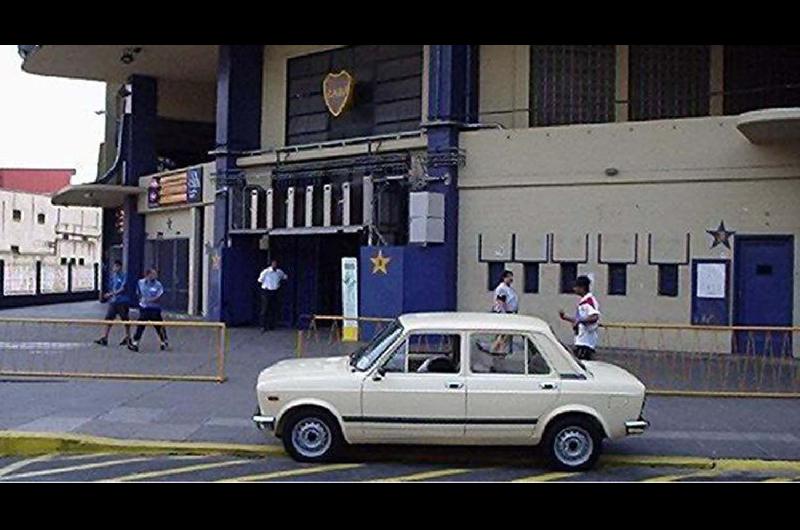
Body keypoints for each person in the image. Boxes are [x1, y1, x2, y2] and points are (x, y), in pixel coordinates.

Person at [558, 275, 601, 361]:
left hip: (586, 342)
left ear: (582, 288)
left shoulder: (589, 301)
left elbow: (594, 317)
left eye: (576, 287)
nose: (574, 289)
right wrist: (565, 317)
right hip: (580, 339)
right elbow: (579, 319)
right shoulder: (583, 302)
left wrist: (579, 321)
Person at [128, 268, 169, 352]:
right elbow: (138, 293)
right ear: (148, 275)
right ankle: (136, 342)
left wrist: (152, 299)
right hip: (144, 307)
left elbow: (160, 295)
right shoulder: (140, 283)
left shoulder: (158, 284)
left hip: (154, 308)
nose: (155, 275)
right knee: (140, 325)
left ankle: (163, 342)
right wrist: (141, 301)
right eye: (153, 274)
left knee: (159, 326)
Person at [94, 259, 132, 347]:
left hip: (122, 301)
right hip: (114, 301)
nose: (114, 268)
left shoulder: (124, 276)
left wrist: (111, 294)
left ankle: (128, 337)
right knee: (108, 319)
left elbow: (123, 288)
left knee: (125, 320)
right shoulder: (113, 277)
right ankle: (105, 338)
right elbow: (111, 287)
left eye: (115, 266)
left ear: (119, 267)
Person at [257, 259, 288, 332]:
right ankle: (263, 326)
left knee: (273, 309)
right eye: (273, 263)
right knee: (264, 309)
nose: (275, 265)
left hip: (275, 291)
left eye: (276, 264)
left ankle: (271, 325)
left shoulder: (279, 272)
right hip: (266, 291)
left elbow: (284, 277)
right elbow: (260, 280)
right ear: (271, 264)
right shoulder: (266, 272)